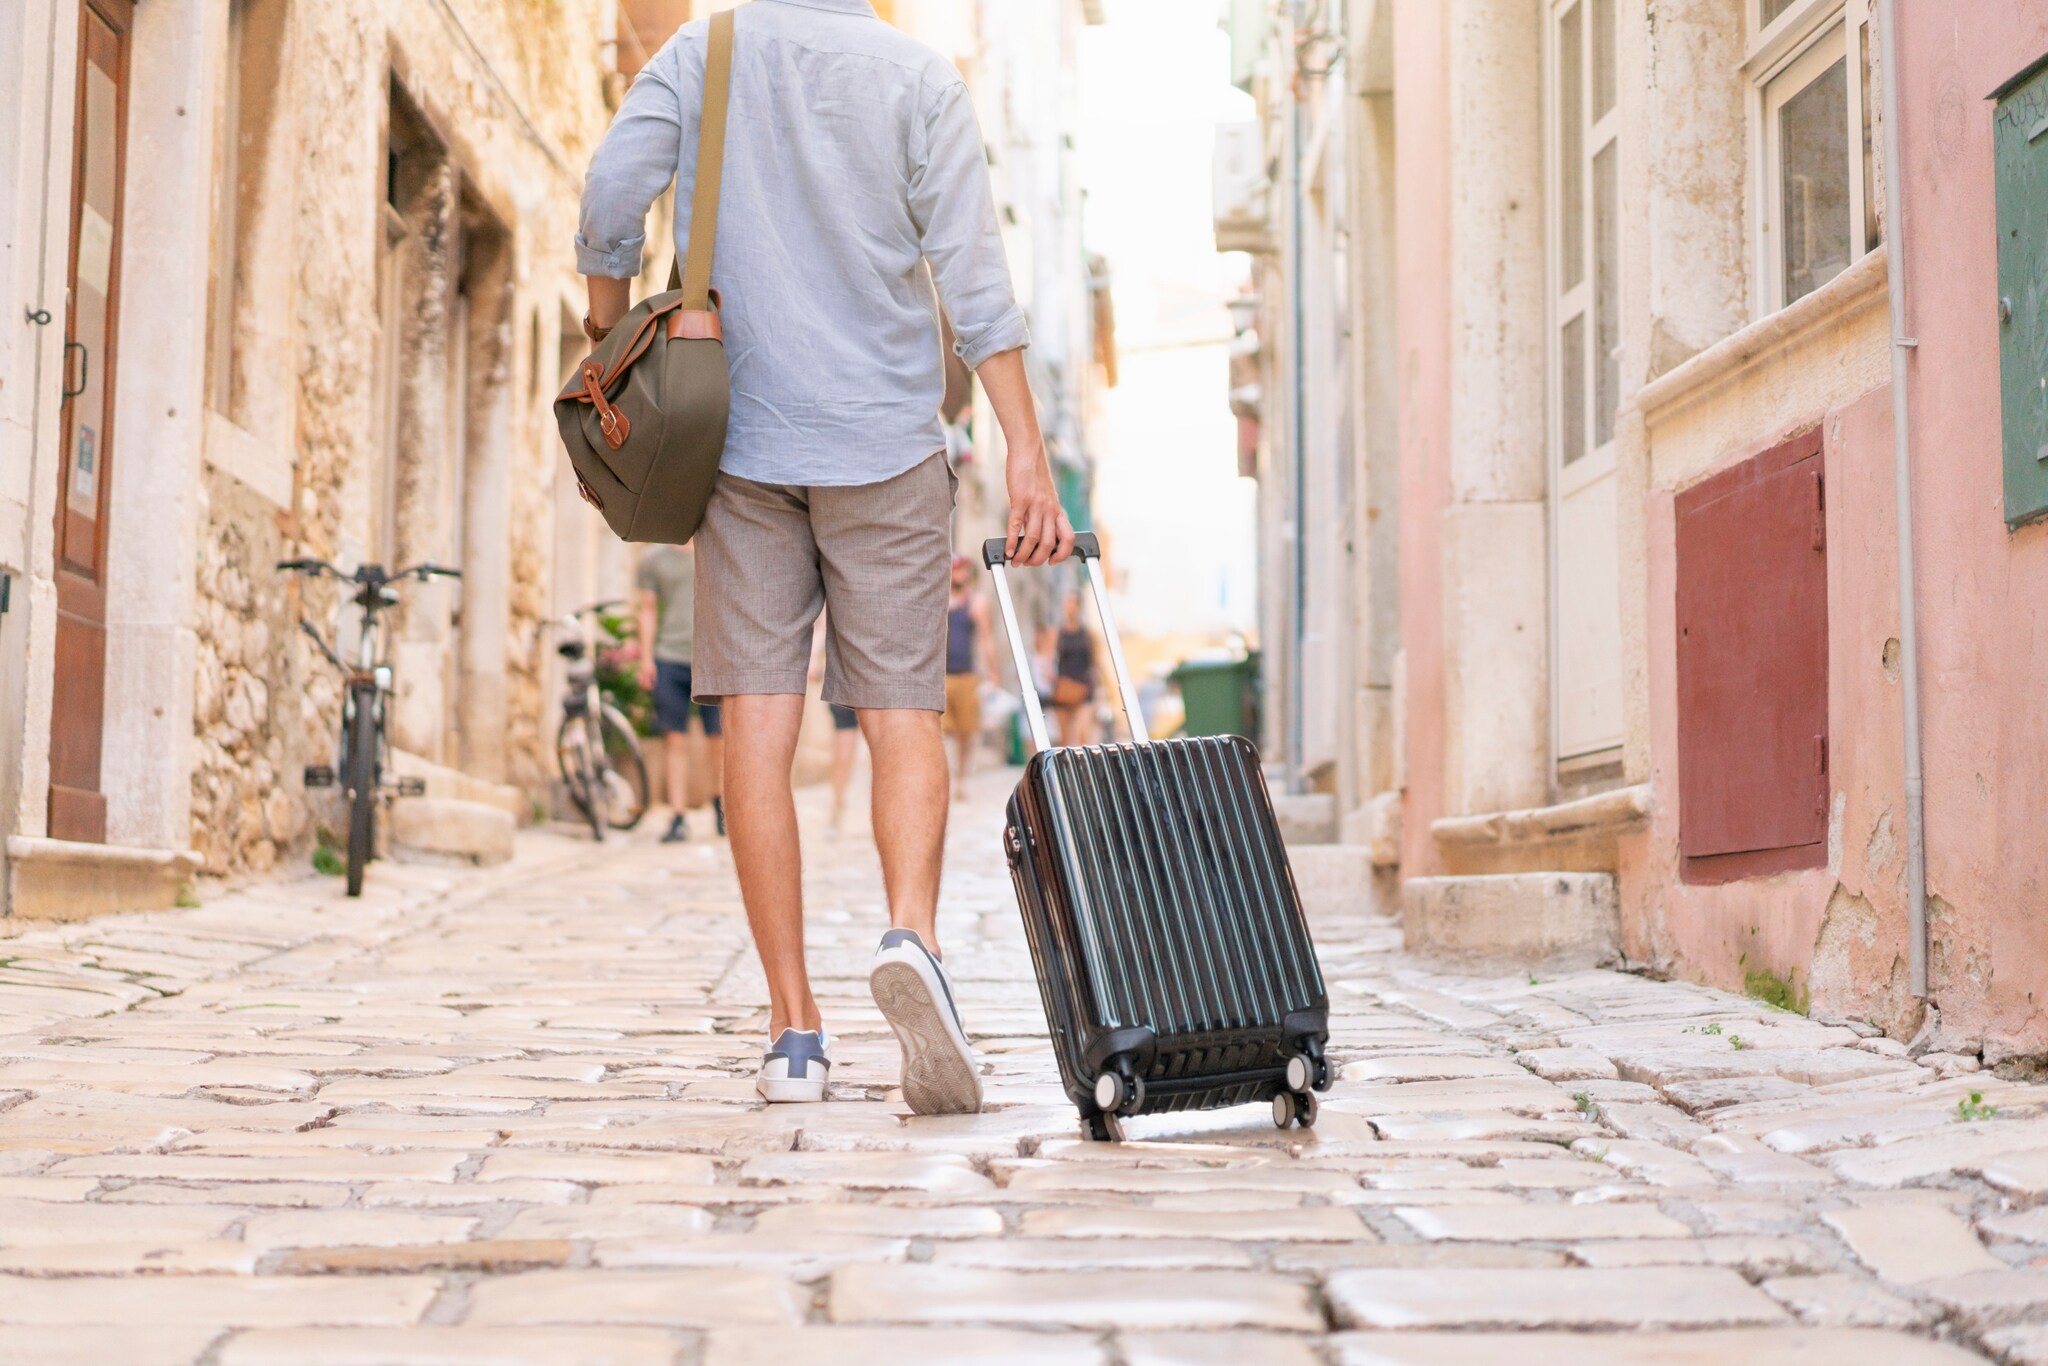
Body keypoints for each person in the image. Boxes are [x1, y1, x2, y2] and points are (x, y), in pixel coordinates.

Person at [577, 0, 1073, 1113]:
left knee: (756, 719)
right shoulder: (919, 80)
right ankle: (913, 937)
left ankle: (792, 1029)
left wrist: (603, 333)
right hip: (888, 443)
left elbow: (613, 190)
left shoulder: (704, 50)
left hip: (738, 442)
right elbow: (976, 286)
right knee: (901, 710)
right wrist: (1025, 450)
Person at [635, 544, 723, 842]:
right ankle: (677, 815)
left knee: (719, 740)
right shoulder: (654, 559)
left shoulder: (714, 548)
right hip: (669, 658)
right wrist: (646, 659)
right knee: (674, 739)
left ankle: (721, 806)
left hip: (712, 656)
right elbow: (647, 610)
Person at [941, 554, 997, 797]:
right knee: (942, 731)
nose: (958, 574)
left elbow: (986, 638)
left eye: (962, 570)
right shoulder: (941, 599)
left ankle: (961, 778)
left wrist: (993, 671)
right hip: (941, 676)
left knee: (966, 732)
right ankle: (946, 776)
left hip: (967, 676)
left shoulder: (977, 603)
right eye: (955, 570)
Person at [1040, 590, 1098, 748]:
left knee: (1082, 734)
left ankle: (1083, 770)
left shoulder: (1088, 634)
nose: (1069, 607)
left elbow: (1095, 661)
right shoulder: (1057, 632)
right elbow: (1049, 657)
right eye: (1066, 603)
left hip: (1084, 686)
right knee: (1065, 738)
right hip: (1064, 686)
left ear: (1079, 606)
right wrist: (1048, 676)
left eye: (1072, 603)